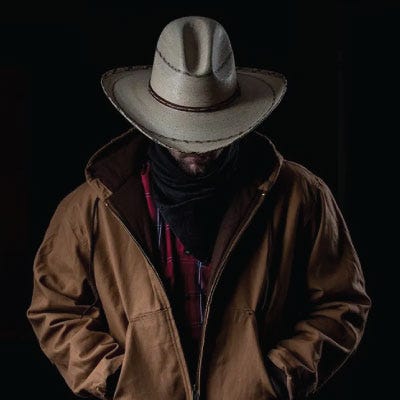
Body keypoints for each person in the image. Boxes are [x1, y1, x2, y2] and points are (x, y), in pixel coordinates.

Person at [27, 15, 371, 400]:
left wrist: (278, 376)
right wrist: (114, 378)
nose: (195, 148)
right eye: (181, 132)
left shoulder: (302, 196)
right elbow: (55, 309)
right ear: (151, 122)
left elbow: (343, 303)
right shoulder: (89, 207)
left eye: (210, 131)